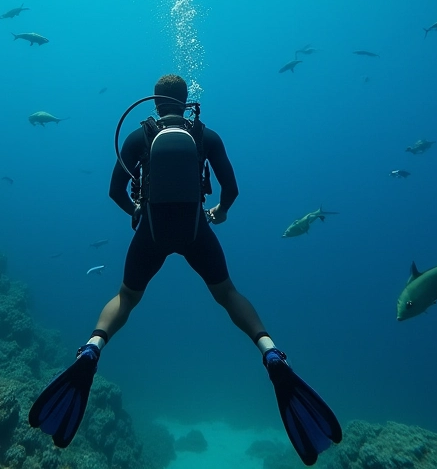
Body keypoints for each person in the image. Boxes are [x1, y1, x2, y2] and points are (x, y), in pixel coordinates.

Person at [29, 75, 341, 465]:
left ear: (155, 102)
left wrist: (137, 213)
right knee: (227, 294)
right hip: (197, 231)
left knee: (126, 297)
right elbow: (232, 188)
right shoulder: (205, 135)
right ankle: (271, 352)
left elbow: (114, 191)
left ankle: (92, 350)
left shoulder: (138, 136)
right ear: (186, 100)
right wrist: (220, 212)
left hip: (152, 233)